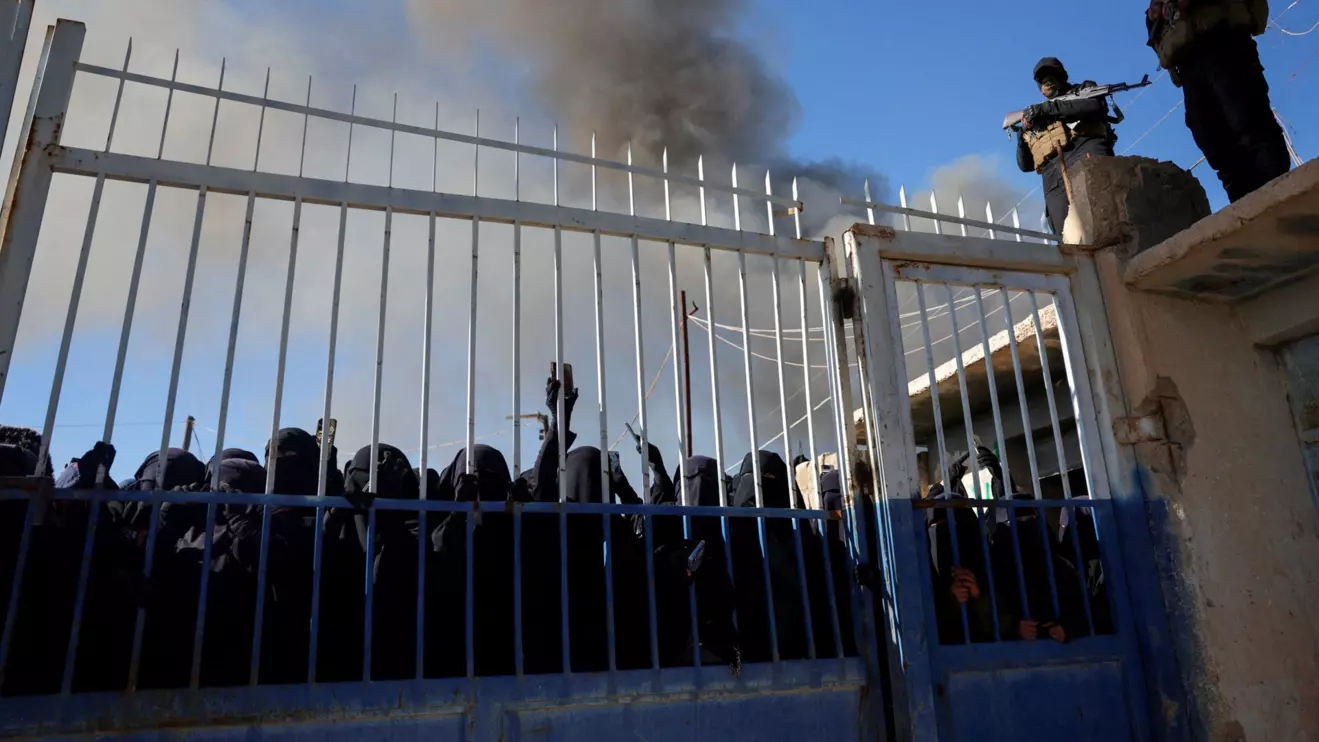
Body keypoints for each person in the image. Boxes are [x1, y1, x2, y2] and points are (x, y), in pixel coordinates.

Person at [1147, 0, 1290, 202]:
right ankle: (1246, 207)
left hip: (1223, 39)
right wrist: (1156, 14)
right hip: (1187, 61)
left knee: (1249, 123)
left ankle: (1281, 197)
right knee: (1212, 140)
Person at [1015, 57, 1117, 233]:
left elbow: (1094, 106)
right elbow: (1025, 165)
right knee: (1069, 240)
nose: (1048, 81)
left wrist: (1048, 109)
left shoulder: (1083, 90)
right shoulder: (1036, 115)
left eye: (1052, 75)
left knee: (1106, 221)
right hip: (1054, 182)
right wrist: (1022, 134)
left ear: (1063, 76)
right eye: (1043, 79)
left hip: (1084, 156)